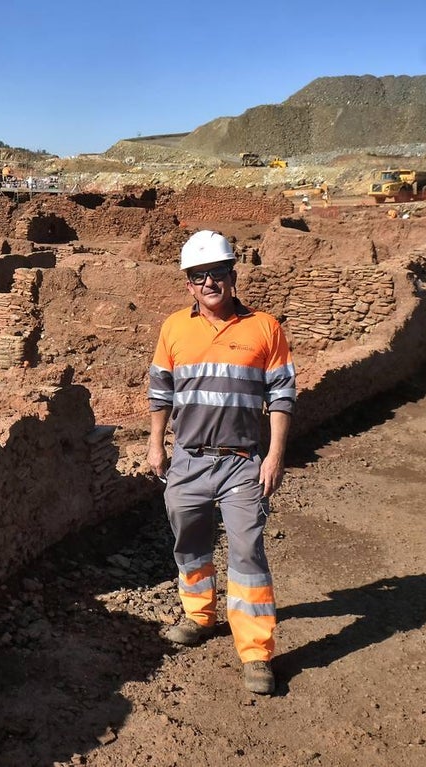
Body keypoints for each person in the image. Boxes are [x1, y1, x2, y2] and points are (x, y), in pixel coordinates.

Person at [147, 230, 297, 695]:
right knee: (190, 543)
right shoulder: (174, 328)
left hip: (242, 463)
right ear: (188, 284)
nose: (209, 283)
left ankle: (256, 652)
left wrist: (275, 456)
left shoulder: (265, 328)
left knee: (247, 552)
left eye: (216, 273)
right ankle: (200, 616)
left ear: (233, 275)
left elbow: (282, 397)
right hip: (188, 460)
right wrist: (156, 444)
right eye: (198, 276)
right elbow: (160, 392)